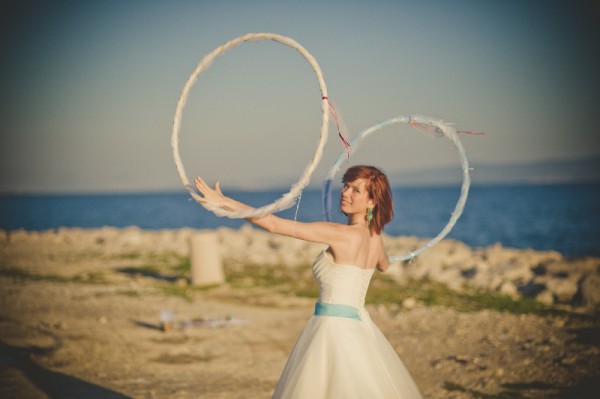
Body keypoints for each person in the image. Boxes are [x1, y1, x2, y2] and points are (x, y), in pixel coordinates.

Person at [194, 165, 423, 399]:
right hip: (358, 327)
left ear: (372, 202)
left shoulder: (342, 234)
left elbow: (273, 224)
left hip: (331, 329)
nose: (345, 192)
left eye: (356, 190)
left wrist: (223, 202)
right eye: (346, 186)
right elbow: (384, 266)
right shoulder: (376, 238)